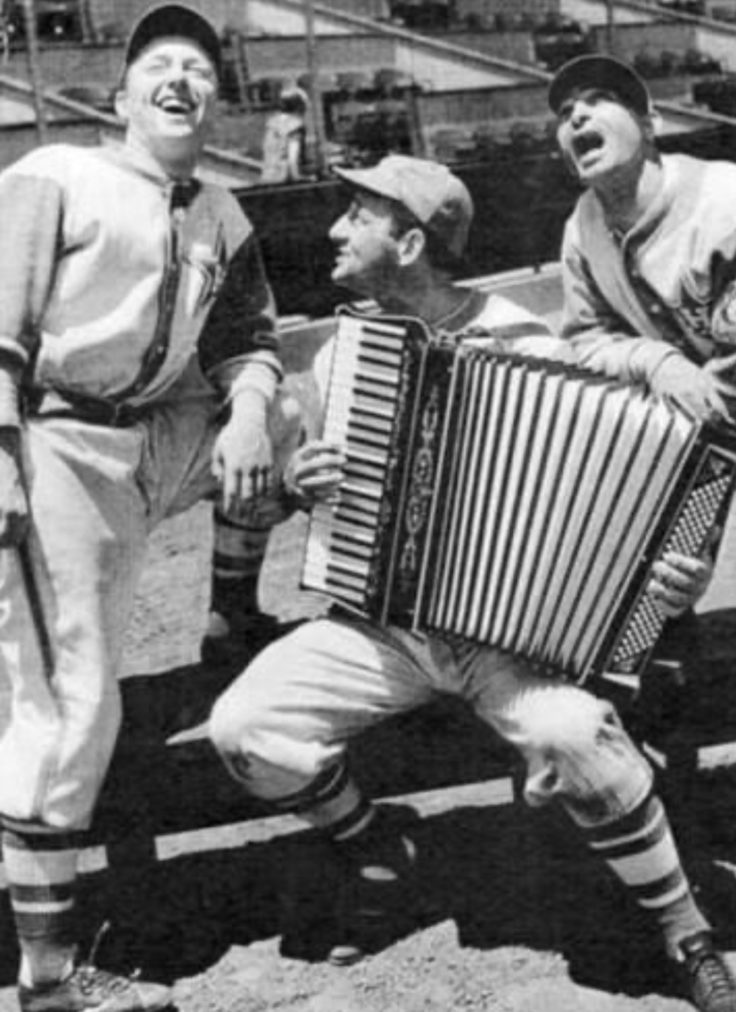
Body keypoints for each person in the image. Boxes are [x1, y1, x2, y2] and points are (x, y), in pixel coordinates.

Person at [208, 154, 736, 1012]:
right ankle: (376, 843)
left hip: (510, 638)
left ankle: (686, 935)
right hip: (381, 623)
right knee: (244, 729)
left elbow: (621, 486)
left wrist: (671, 576)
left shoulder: (524, 341)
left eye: (359, 214)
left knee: (581, 741)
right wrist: (298, 483)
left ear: (412, 241)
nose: (334, 231)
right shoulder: (346, 352)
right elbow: (287, 497)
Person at [0, 5, 295, 1010]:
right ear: (120, 96)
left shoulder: (221, 209)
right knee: (75, 694)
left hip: (148, 446)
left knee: (298, 406)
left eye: (201, 69)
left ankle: (232, 610)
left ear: (219, 100)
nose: (181, 79)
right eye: (159, 65)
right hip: (50, 441)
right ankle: (45, 979)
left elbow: (249, 338)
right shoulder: (57, 176)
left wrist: (251, 411)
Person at [549, 52, 736, 525]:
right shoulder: (581, 227)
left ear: (650, 125)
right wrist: (655, 360)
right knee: (661, 583)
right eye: (565, 113)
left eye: (598, 100)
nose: (577, 116)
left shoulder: (735, 207)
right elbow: (584, 340)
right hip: (716, 422)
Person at [259, 85, 309, 185]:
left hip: (267, 178)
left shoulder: (272, 124)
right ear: (300, 107)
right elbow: (292, 158)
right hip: (283, 179)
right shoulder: (295, 126)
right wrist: (298, 178)